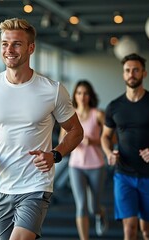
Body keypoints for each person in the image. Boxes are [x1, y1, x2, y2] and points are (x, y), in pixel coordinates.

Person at [0, 17, 83, 240]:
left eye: (16, 44)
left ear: (31, 48)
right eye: (4, 43)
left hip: (36, 185)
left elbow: (76, 130)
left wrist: (55, 155)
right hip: (1, 184)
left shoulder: (53, 90)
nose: (9, 49)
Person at [100, 53, 149, 240]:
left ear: (144, 73)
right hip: (123, 174)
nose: (131, 74)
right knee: (129, 228)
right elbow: (105, 136)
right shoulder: (114, 106)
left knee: (147, 230)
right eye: (127, 70)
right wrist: (108, 153)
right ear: (123, 74)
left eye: (136, 70)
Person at [60, 80, 108, 240]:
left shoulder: (99, 115)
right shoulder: (68, 116)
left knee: (93, 207)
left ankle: (101, 213)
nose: (82, 96)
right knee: (81, 206)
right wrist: (73, 141)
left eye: (86, 93)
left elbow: (111, 140)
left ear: (90, 96)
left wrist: (92, 141)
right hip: (76, 167)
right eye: (79, 93)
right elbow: (63, 142)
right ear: (75, 95)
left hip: (96, 165)